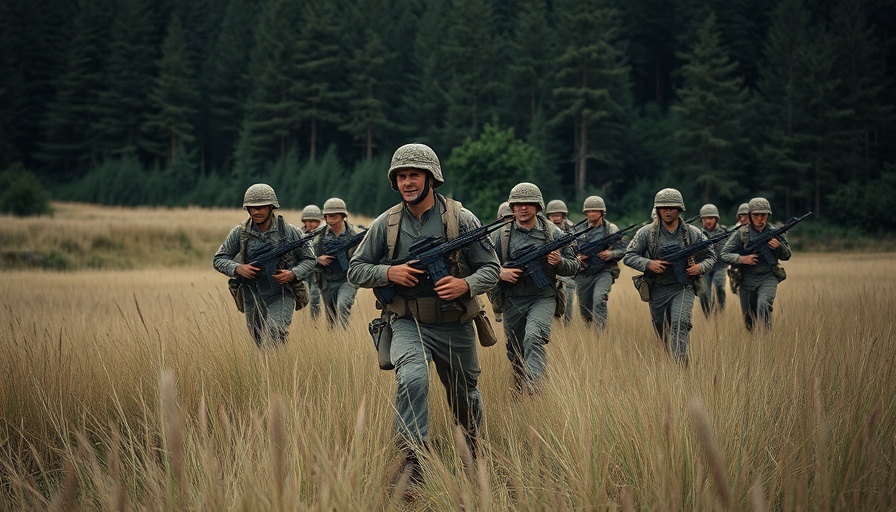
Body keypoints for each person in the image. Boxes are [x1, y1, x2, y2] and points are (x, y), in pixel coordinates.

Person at [347, 143, 499, 491]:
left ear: (431, 178)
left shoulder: (463, 220)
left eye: (414, 175)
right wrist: (390, 273)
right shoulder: (386, 224)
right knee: (413, 379)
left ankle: (472, 450)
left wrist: (465, 284)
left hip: (454, 322)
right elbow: (356, 270)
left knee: (466, 395)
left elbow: (491, 268)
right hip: (406, 321)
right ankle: (413, 461)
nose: (408, 182)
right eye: (401, 176)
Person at [492, 183, 579, 394]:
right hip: (512, 299)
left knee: (533, 336)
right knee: (515, 351)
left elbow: (574, 265)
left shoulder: (553, 233)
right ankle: (521, 386)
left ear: (538, 206)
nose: (523, 208)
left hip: (543, 296)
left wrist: (559, 262)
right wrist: (501, 273)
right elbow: (484, 267)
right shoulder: (500, 236)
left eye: (529, 204)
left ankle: (535, 390)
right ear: (512, 207)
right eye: (519, 204)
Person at [622, 188, 716, 366]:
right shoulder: (646, 233)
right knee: (661, 328)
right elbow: (629, 256)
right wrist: (649, 264)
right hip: (657, 288)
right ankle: (667, 357)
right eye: (663, 207)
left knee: (680, 323)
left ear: (680, 209)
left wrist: (699, 267)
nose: (667, 211)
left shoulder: (693, 233)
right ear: (657, 209)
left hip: (683, 287)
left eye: (672, 207)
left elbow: (711, 256)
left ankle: (681, 364)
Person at [214, 184, 316, 347]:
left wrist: (293, 273)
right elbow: (219, 259)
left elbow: (310, 260)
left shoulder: (290, 232)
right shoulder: (240, 233)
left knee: (274, 333)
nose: (255, 212)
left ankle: (278, 365)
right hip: (252, 297)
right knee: (259, 342)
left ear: (271, 207)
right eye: (251, 208)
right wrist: (238, 268)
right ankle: (273, 369)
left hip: (281, 293)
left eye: (260, 207)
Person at [720, 197, 791, 331]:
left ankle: (766, 340)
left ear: (768, 216)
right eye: (755, 215)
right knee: (749, 319)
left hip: (768, 276)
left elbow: (787, 255)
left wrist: (779, 246)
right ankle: (753, 343)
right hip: (746, 278)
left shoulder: (775, 233)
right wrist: (742, 259)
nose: (759, 218)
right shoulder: (741, 233)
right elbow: (724, 254)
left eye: (763, 215)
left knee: (764, 306)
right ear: (750, 216)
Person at [574, 196, 626, 332]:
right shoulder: (577, 230)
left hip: (604, 271)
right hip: (583, 273)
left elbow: (624, 249)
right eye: (589, 211)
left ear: (602, 212)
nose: (592, 214)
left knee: (599, 299)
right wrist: (576, 257)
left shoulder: (610, 229)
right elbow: (568, 250)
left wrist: (611, 254)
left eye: (595, 211)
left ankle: (600, 334)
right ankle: (589, 329)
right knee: (585, 308)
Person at [313, 198, 360, 329]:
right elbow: (307, 258)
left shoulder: (355, 234)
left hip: (347, 280)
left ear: (342, 216)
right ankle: (335, 344)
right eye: (327, 215)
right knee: (331, 318)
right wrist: (318, 259)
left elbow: (363, 259)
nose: (330, 218)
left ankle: (343, 336)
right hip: (327, 281)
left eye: (333, 215)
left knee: (343, 305)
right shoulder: (319, 236)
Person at [545, 199, 577, 323]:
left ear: (564, 216)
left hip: (566, 273)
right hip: (549, 273)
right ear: (548, 216)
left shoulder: (571, 230)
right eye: (553, 215)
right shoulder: (544, 229)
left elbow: (575, 248)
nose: (556, 218)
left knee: (567, 305)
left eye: (559, 215)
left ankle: (567, 327)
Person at [697, 204, 728, 317]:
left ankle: (720, 311)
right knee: (703, 293)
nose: (708, 221)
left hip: (720, 266)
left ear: (716, 219)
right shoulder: (698, 234)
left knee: (719, 287)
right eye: (705, 218)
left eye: (711, 218)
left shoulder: (725, 232)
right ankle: (708, 316)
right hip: (704, 267)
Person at [300, 204, 324, 320]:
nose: (312, 224)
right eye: (308, 221)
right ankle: (304, 322)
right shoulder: (298, 234)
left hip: (316, 273)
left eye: (315, 221)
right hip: (302, 272)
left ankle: (314, 322)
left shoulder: (323, 234)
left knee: (315, 298)